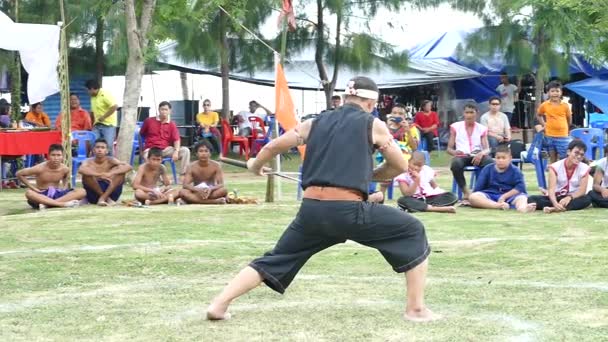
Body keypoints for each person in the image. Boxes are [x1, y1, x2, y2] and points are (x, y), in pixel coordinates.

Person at [206, 76, 438, 322]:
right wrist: (368, 176)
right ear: (371, 103)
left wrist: (255, 165)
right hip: (348, 211)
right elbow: (400, 164)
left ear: (347, 97)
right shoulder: (373, 124)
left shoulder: (313, 123)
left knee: (275, 258)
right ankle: (416, 309)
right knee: (412, 229)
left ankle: (219, 304)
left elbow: (272, 147)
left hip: (311, 211)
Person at [527, 139, 592, 213]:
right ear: (568, 152)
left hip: (573, 198)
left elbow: (582, 191)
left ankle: (555, 209)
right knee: (532, 199)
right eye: (576, 153)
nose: (579, 156)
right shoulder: (555, 167)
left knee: (587, 199)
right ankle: (556, 207)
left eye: (581, 155)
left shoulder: (584, 168)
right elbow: (551, 190)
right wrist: (555, 203)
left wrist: (569, 197)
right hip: (557, 197)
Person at [469, 145, 536, 213]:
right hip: (491, 195)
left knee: (522, 198)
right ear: (495, 158)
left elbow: (520, 187)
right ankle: (498, 206)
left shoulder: (515, 170)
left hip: (511, 196)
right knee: (473, 197)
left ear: (510, 158)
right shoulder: (487, 169)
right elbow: (478, 188)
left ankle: (523, 209)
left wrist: (504, 196)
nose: (500, 160)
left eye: (504, 158)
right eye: (498, 158)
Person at [447, 103, 493, 202]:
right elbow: (449, 149)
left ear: (477, 114)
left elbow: (487, 149)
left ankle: (481, 190)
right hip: (462, 156)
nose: (469, 115)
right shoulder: (456, 127)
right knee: (455, 164)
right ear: (463, 114)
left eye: (471, 112)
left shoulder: (482, 128)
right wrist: (455, 152)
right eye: (467, 112)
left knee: (489, 162)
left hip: (477, 155)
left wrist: (481, 154)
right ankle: (466, 192)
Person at [15, 144, 85, 209]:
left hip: (58, 194)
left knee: (82, 191)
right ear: (48, 155)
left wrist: (64, 187)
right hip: (42, 194)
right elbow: (19, 174)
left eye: (58, 155)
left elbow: (66, 178)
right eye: (53, 155)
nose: (56, 158)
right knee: (29, 193)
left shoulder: (65, 169)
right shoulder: (40, 168)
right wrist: (33, 188)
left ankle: (48, 204)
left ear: (62, 156)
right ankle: (62, 204)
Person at [140, 101, 191, 184]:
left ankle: (183, 175)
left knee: (185, 151)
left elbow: (176, 139)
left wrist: (176, 151)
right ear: (158, 110)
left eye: (166, 110)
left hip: (166, 149)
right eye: (162, 109)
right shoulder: (149, 121)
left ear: (170, 111)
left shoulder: (172, 124)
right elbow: (141, 134)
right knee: (147, 156)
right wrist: (142, 149)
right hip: (152, 149)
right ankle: (158, 178)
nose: (164, 112)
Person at [78, 138, 132, 206]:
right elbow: (81, 169)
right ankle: (105, 198)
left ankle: (103, 198)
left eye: (102, 148)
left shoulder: (111, 160)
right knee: (86, 175)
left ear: (106, 151)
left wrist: (110, 173)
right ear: (93, 150)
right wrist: (99, 175)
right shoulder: (88, 161)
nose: (100, 150)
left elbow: (128, 167)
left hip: (110, 191)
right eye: (97, 147)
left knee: (121, 173)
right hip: (94, 193)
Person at [536, 81, 572, 163]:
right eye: (552, 91)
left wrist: (567, 128)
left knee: (564, 157)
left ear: (561, 92)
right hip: (549, 135)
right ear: (548, 93)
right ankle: (553, 174)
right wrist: (543, 124)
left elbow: (569, 118)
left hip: (562, 135)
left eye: (557, 91)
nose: (555, 93)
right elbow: (539, 114)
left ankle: (563, 173)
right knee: (552, 157)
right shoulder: (544, 105)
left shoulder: (565, 105)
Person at [86, 79, 118, 156]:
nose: (87, 92)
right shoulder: (93, 97)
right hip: (97, 125)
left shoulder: (105, 94)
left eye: (88, 90)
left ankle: (110, 164)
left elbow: (114, 106)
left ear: (92, 88)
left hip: (108, 125)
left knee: (108, 145)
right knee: (93, 143)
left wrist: (104, 117)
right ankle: (95, 163)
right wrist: (92, 124)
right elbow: (93, 111)